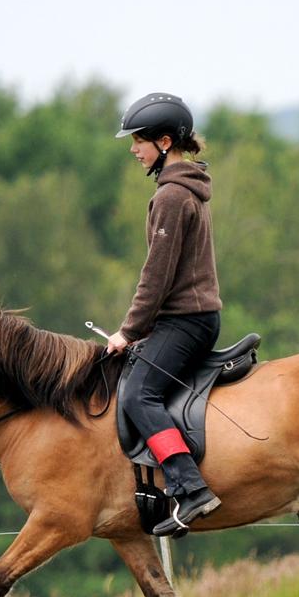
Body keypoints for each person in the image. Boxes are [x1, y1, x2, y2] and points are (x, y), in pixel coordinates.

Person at [107, 92, 223, 537]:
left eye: (138, 140)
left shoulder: (173, 196)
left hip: (185, 321)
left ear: (165, 141)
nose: (133, 150)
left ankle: (190, 488)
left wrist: (128, 331)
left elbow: (155, 277)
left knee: (137, 396)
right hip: (188, 318)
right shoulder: (181, 190)